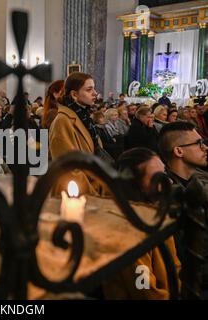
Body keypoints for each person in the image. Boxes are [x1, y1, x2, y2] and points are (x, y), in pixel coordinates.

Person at [103, 147, 181, 300]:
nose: (169, 181)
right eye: (157, 178)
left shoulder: (155, 213)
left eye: (164, 173)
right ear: (135, 186)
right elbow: (145, 290)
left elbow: (175, 266)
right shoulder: (128, 231)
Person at [158, 121, 208, 297]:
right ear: (178, 151)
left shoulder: (201, 179)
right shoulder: (165, 195)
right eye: (199, 144)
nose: (205, 148)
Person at [49, 72, 106, 196]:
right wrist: (93, 195)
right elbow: (68, 169)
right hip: (76, 192)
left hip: (94, 183)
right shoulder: (62, 121)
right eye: (89, 89)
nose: (95, 93)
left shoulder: (84, 116)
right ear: (74, 95)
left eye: (94, 88)